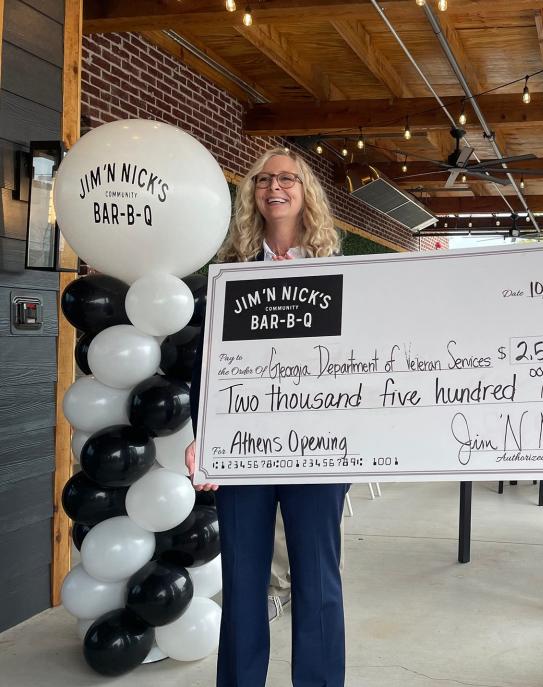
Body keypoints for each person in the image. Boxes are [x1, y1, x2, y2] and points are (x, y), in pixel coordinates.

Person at [185, 147, 348, 687]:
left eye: (288, 179)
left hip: (319, 448)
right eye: (264, 179)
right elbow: (207, 364)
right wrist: (202, 437)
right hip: (243, 448)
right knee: (244, 579)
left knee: (317, 579)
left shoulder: (340, 274)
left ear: (306, 193)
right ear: (253, 192)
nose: (274, 187)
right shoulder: (230, 276)